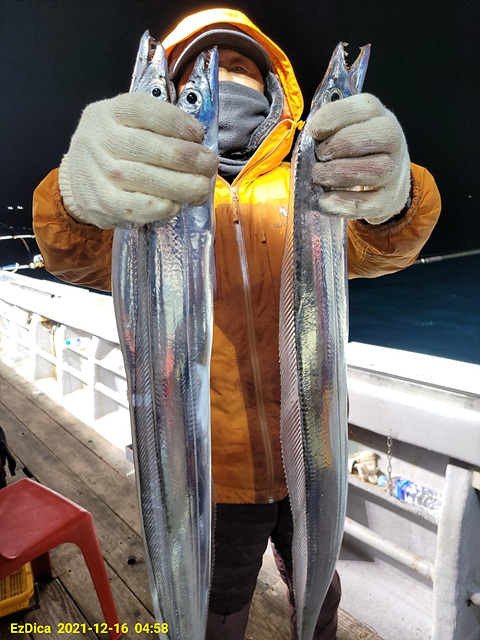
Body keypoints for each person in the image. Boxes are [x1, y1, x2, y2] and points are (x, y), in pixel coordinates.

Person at [32, 8, 441, 639]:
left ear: (273, 85)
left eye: (242, 64)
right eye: (201, 71)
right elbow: (75, 256)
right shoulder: (149, 204)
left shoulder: (309, 183)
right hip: (213, 475)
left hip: (316, 455)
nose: (224, 78)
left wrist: (395, 196)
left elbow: (386, 247)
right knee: (218, 611)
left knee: (320, 596)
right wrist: (76, 194)